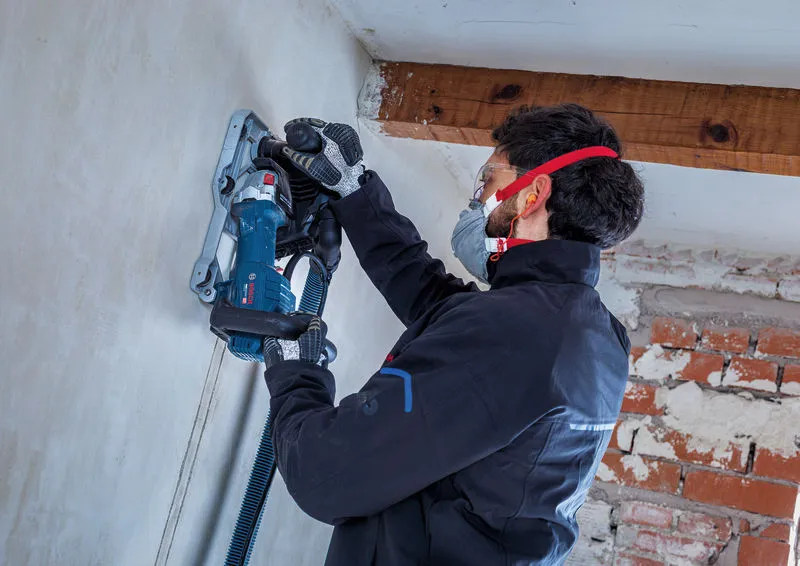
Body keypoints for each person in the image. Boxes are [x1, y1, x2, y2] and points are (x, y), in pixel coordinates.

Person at [262, 104, 645, 565]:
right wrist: (353, 191)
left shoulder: (517, 330)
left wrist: (294, 372)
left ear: (532, 195)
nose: (479, 197)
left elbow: (323, 474)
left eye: (490, 179)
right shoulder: (596, 335)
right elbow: (442, 308)